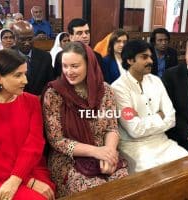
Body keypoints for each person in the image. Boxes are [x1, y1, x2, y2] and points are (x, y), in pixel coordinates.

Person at [0, 49, 55, 200]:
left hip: (31, 169)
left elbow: (34, 144)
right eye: (18, 75)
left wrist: (20, 179)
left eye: (25, 73)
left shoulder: (32, 102)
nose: (25, 81)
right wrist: (22, 181)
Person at [43, 41, 128, 198]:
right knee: (94, 189)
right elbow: (57, 140)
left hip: (103, 151)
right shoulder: (54, 94)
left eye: (75, 66)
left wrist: (109, 153)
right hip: (69, 159)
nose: (69, 71)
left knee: (122, 183)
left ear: (89, 65)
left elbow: (112, 127)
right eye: (65, 66)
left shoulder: (105, 90)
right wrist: (97, 152)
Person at [111, 40, 188, 174]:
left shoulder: (156, 81)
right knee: (154, 175)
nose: (151, 61)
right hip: (134, 146)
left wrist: (146, 121)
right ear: (130, 60)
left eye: (150, 57)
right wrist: (159, 116)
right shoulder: (118, 88)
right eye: (144, 57)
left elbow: (171, 119)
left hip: (161, 141)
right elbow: (135, 130)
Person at [11, 20, 54, 95]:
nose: (27, 43)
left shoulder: (45, 57)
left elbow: (50, 82)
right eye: (22, 39)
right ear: (14, 38)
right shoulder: (6, 57)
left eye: (30, 39)